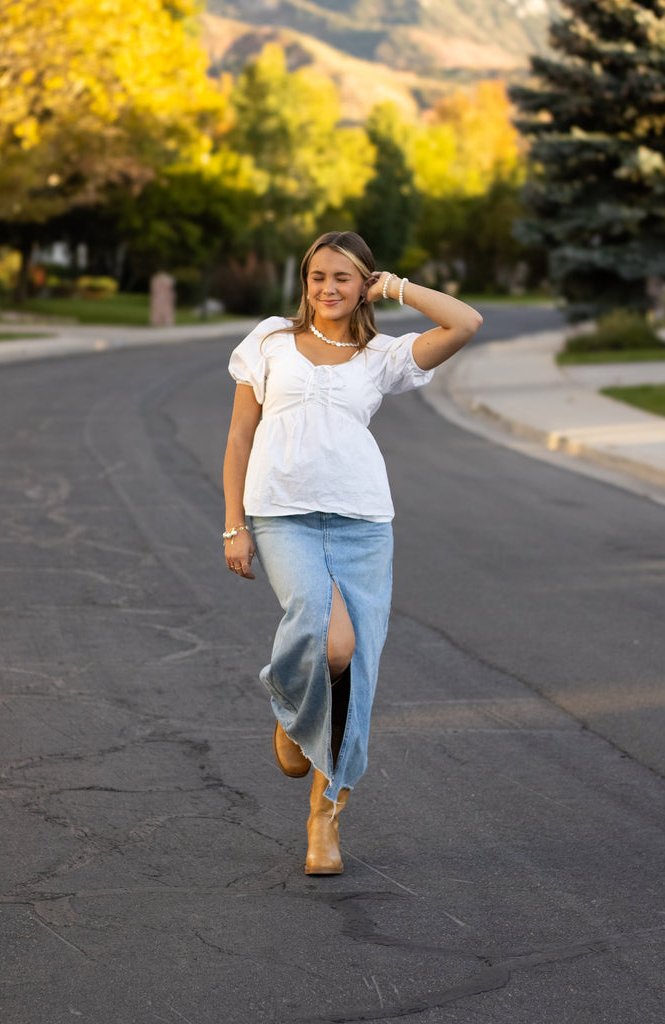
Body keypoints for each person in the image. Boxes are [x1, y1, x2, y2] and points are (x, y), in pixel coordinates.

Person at [222, 231, 482, 875]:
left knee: (355, 670)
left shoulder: (381, 356)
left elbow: (466, 322)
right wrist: (233, 525)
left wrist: (396, 287)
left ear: (362, 283)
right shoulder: (270, 341)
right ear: (304, 282)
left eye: (342, 277)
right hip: (281, 513)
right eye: (317, 276)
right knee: (328, 638)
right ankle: (291, 709)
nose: (327, 288)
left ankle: (325, 817)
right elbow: (240, 435)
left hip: (362, 522)